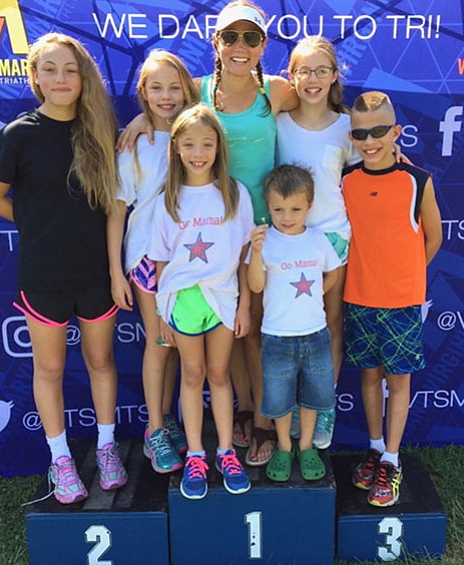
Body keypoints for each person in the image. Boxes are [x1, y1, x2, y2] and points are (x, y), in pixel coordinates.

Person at [118, 0, 298, 468]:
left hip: (261, 231)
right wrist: (143, 119)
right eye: (231, 37)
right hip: (207, 238)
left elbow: (320, 106)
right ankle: (234, 415)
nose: (241, 46)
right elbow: (171, 118)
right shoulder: (198, 90)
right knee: (224, 334)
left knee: (253, 329)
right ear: (215, 43)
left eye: (252, 38)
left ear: (263, 46)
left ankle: (261, 421)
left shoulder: (277, 91)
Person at [0, 33, 128, 504]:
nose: (60, 78)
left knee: (101, 361)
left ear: (83, 77)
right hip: (43, 275)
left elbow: (113, 206)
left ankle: (107, 448)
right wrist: (40, 225)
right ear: (35, 77)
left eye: (69, 69)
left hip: (95, 274)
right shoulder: (19, 134)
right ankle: (60, 458)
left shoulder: (102, 131)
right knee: (49, 367)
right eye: (50, 69)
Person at [147, 104, 254, 500]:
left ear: (218, 148)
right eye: (189, 144)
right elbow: (159, 261)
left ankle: (226, 452)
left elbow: (244, 253)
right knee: (192, 376)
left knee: (220, 374)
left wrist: (243, 305)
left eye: (207, 144)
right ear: (175, 148)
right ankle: (196, 454)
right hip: (184, 303)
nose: (198, 153)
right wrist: (161, 312)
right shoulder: (167, 200)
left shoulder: (234, 193)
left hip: (223, 299)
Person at [343, 91, 442, 507]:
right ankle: (374, 446)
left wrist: (406, 278)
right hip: (359, 298)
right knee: (368, 377)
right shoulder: (346, 180)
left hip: (401, 301)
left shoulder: (416, 180)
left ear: (396, 132)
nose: (370, 141)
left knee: (397, 381)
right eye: (361, 133)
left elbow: (433, 236)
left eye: (380, 131)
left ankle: (392, 460)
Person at [107, 50, 198, 474]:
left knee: (179, 344)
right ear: (142, 92)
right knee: (160, 343)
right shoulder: (134, 144)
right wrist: (115, 270)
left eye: (174, 86)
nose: (166, 96)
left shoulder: (195, 135)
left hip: (189, 260)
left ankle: (169, 423)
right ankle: (155, 429)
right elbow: (117, 211)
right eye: (156, 88)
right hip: (147, 258)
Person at [276, 35, 359, 450]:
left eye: (321, 70)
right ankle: (289, 409)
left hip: (332, 239)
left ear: (334, 76)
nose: (312, 79)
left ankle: (323, 406)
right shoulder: (276, 121)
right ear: (290, 76)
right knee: (287, 330)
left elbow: (371, 169)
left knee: (328, 326)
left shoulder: (348, 127)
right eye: (304, 70)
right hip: (286, 240)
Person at [247, 164, 341, 482]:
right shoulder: (265, 242)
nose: (287, 217)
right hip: (276, 336)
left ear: (309, 206)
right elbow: (256, 286)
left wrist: (315, 292)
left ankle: (306, 445)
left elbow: (333, 272)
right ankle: (285, 446)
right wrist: (257, 253)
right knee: (279, 397)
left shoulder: (316, 240)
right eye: (278, 209)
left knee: (314, 395)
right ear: (268, 206)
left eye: (296, 209)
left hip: (314, 333)